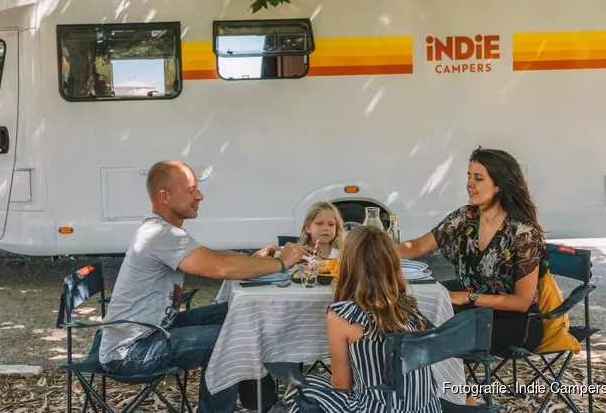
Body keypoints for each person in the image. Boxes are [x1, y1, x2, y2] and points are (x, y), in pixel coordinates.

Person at [98, 160, 308, 413]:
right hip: (131, 351)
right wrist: (281, 263)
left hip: (156, 330)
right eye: (191, 190)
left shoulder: (163, 230)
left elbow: (212, 256)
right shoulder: (160, 234)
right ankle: (259, 405)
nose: (199, 196)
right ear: (164, 197)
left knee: (240, 311)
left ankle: (262, 404)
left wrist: (254, 259)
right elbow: (218, 266)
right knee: (230, 339)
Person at [396, 147, 549, 356]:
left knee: (427, 337)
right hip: (472, 314)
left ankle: (435, 376)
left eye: (478, 178)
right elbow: (418, 247)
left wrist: (468, 297)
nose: (469, 184)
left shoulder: (523, 233)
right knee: (406, 314)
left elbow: (522, 302)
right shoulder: (465, 217)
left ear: (499, 185)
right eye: (469, 176)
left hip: (514, 323)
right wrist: (372, 254)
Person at [285, 225, 442, 413]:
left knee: (300, 389)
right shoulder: (409, 306)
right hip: (427, 408)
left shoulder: (342, 316)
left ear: (347, 265)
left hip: (377, 408)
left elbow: (341, 385)